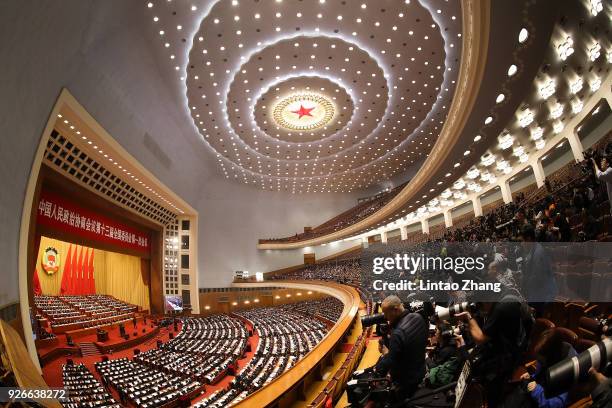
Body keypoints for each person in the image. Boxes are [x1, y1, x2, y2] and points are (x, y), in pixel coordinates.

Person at [374, 295, 428, 400]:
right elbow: (409, 348)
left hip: (406, 383)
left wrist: (379, 366)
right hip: (421, 371)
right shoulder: (418, 317)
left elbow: (390, 361)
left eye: (386, 313)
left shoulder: (398, 333)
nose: (385, 317)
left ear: (395, 310)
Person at [520, 329, 578, 407]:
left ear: (551, 356)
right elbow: (543, 372)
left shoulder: (569, 369)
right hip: (541, 391)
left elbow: (557, 404)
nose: (539, 360)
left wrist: (537, 390)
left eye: (541, 359)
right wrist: (532, 377)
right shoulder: (548, 354)